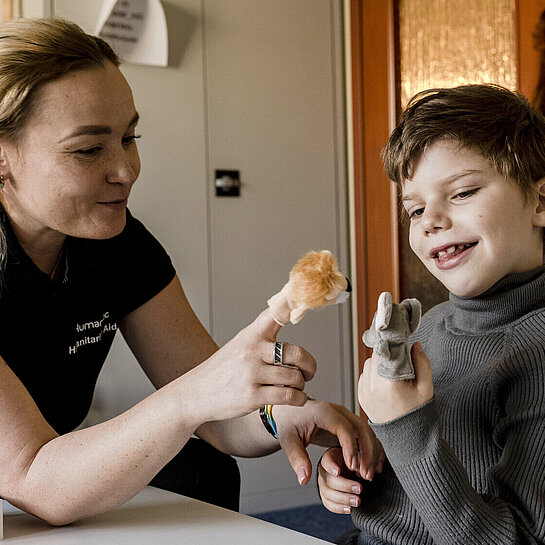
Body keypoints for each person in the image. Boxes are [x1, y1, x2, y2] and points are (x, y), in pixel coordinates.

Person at [0, 17, 383, 525]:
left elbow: (221, 419)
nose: (127, 170)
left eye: (129, 137)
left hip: (37, 483)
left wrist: (283, 413)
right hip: (27, 486)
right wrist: (195, 395)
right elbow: (34, 481)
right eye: (89, 149)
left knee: (201, 467)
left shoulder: (119, 246)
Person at [318, 84, 545, 544]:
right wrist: (365, 465)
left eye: (461, 193)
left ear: (539, 202)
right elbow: (420, 477)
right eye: (415, 208)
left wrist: (403, 430)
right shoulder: (434, 324)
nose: (429, 220)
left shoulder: (537, 353)